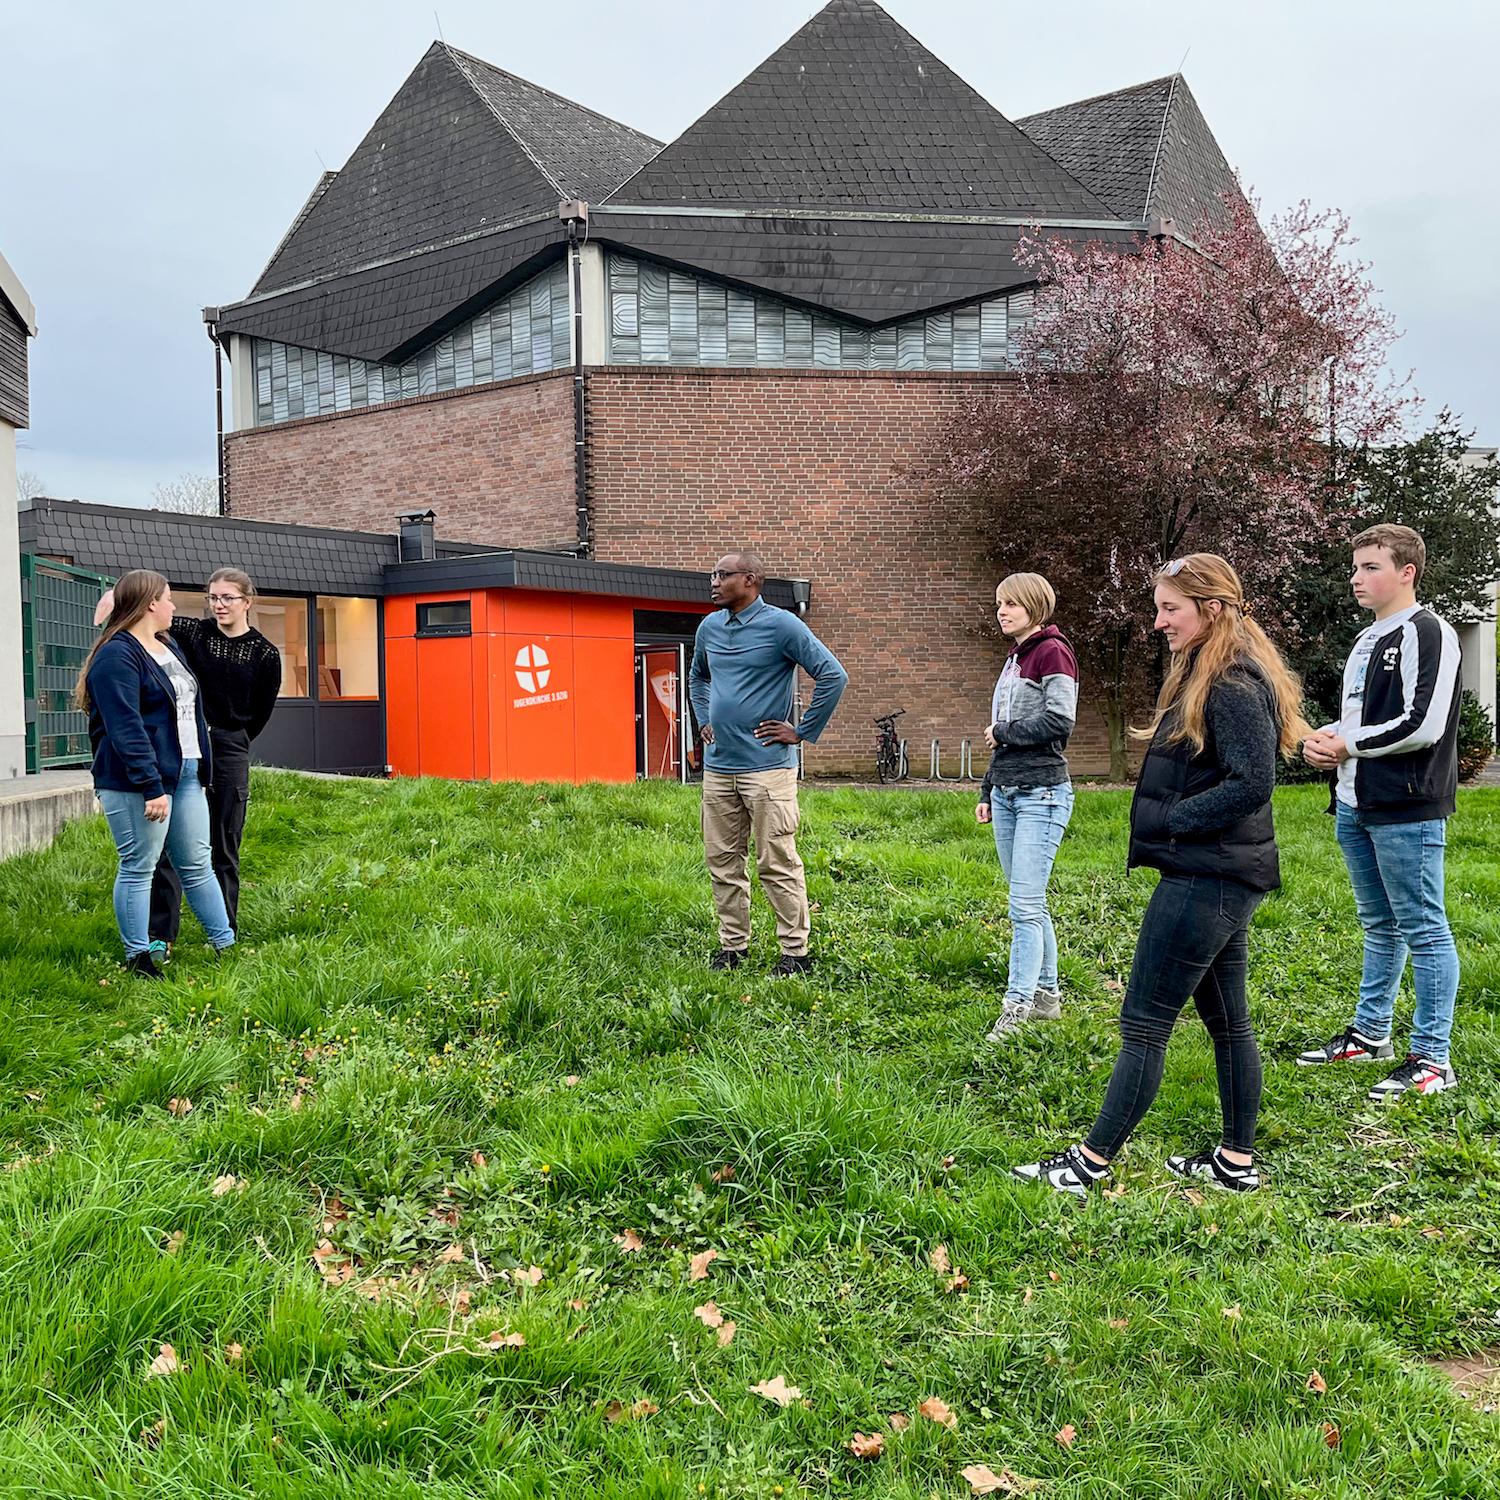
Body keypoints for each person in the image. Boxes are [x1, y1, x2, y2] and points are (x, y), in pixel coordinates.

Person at [1013, 554, 1310, 1196]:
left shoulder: (1230, 682)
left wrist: (1175, 818)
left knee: (1144, 1021)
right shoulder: (1215, 670)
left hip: (1208, 874)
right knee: (1228, 1021)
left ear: (1214, 608)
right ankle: (1236, 1162)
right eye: (1158, 607)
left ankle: (1089, 1163)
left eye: (1170, 609)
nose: (1158, 622)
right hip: (1223, 870)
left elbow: (1253, 783)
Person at [1298, 524, 1463, 1102]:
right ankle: (1372, 1036)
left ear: (1406, 571)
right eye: (1356, 567)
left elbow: (1424, 723)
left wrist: (1348, 744)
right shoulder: (1368, 638)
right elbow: (1359, 720)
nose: (1356, 577)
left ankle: (1433, 1059)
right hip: (1353, 803)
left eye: (1370, 567)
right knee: (1379, 925)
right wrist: (1326, 740)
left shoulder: (1428, 630)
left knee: (1424, 927)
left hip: (1407, 807)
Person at [96, 570, 281, 960]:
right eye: (213, 597)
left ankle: (225, 941)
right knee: (147, 862)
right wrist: (116, 594)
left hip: (203, 760)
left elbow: (258, 710)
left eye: (228, 597)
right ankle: (148, 948)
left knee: (211, 855)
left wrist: (230, 743)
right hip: (159, 767)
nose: (217, 604)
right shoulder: (151, 645)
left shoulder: (257, 653)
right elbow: (124, 723)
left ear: (247, 601)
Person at [689, 550, 848, 975]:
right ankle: (733, 947)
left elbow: (833, 674)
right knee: (722, 861)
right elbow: (698, 677)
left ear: (752, 580)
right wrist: (704, 719)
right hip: (719, 769)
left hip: (767, 770)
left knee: (775, 862)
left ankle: (795, 953)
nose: (714, 581)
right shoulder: (709, 627)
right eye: (713, 574)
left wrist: (802, 730)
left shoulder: (782, 624)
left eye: (724, 575)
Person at [77, 570, 236, 977]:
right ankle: (139, 959)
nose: (173, 606)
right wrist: (151, 786)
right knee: (139, 865)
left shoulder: (167, 645)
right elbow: (125, 727)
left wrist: (198, 769)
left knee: (198, 863)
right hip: (137, 781)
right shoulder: (117, 656)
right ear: (150, 604)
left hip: (184, 772)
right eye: (167, 599)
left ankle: (227, 946)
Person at [975, 572, 1079, 1040]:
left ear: (1035, 607)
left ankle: (1015, 1007)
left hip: (1043, 793)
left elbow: (1060, 720)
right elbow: (1002, 726)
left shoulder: (1051, 652)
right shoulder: (1015, 659)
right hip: (1008, 792)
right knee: (1031, 905)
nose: (1002, 611)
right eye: (999, 603)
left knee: (1023, 907)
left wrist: (1003, 734)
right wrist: (987, 789)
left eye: (1012, 604)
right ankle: (1047, 998)